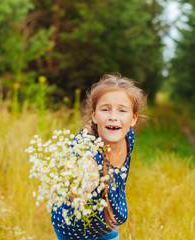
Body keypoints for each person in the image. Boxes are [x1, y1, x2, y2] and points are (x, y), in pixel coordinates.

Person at [51, 73, 147, 240]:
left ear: (133, 118)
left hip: (108, 222)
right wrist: (82, 185)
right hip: (74, 230)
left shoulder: (128, 136)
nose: (113, 116)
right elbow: (78, 184)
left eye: (122, 110)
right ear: (94, 115)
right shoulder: (87, 152)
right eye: (105, 109)